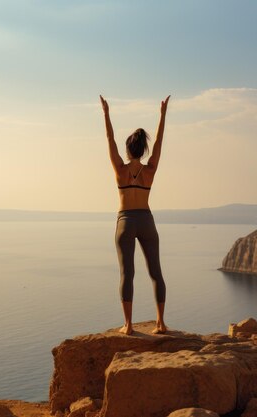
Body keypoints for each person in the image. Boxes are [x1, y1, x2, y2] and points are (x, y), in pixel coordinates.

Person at [99, 94, 171, 336]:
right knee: (156, 272)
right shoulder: (150, 170)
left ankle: (128, 325)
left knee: (126, 274)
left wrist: (106, 114)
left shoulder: (119, 169)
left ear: (128, 150)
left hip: (125, 221)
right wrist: (162, 115)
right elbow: (160, 141)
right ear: (142, 150)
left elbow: (109, 138)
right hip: (147, 220)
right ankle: (160, 323)